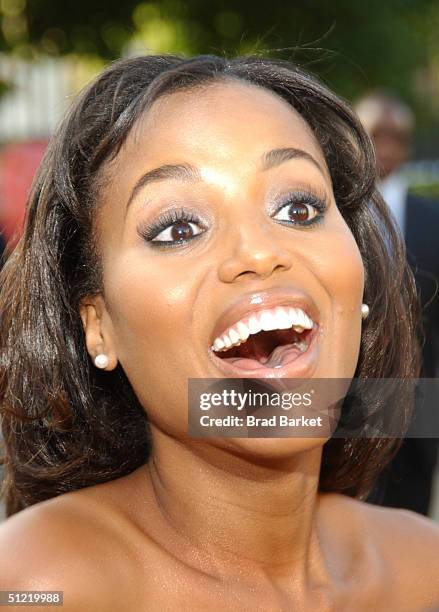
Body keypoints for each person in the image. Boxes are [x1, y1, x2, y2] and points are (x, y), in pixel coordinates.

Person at [0, 54, 438, 611]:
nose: (259, 251)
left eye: (298, 208)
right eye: (179, 228)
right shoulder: (37, 586)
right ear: (99, 327)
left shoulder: (424, 567)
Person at [355, 92, 439, 516]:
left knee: (412, 509)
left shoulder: (433, 219)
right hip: (348, 391)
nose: (386, 147)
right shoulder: (332, 214)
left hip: (421, 393)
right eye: (376, 135)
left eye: (397, 137)